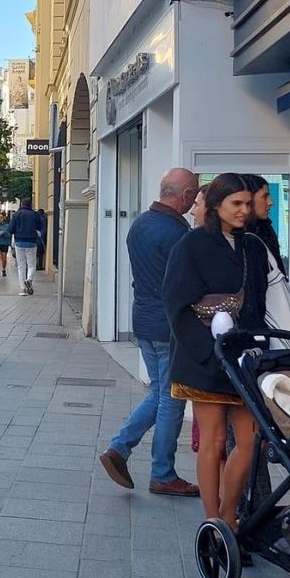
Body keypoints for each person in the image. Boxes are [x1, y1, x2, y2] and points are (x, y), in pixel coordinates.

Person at [162, 173, 270, 528]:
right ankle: (214, 518)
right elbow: (176, 303)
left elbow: (257, 304)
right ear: (216, 206)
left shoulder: (253, 246)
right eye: (235, 204)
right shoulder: (192, 245)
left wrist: (258, 349)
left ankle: (229, 512)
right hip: (203, 356)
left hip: (243, 356)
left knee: (251, 440)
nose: (243, 210)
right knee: (214, 439)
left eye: (246, 203)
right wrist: (208, 351)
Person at [99, 168, 201, 497]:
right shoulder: (178, 233)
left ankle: (120, 448)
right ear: (184, 196)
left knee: (159, 392)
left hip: (142, 319)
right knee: (172, 396)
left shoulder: (140, 224)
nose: (194, 202)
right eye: (194, 195)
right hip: (168, 324)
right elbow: (185, 284)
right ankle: (163, 473)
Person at [10, 197, 45, 295]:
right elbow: (40, 227)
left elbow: (10, 229)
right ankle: (29, 279)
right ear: (30, 205)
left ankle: (22, 289)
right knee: (31, 265)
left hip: (19, 243)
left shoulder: (16, 215)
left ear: (21, 204)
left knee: (21, 266)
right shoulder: (34, 215)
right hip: (31, 243)